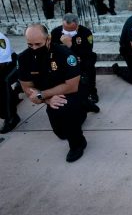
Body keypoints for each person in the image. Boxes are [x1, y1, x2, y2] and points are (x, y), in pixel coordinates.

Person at [18, 24, 88, 162]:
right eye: (30, 45)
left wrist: (42, 95)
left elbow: (72, 86)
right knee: (61, 133)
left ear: (48, 39)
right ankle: (84, 108)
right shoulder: (24, 58)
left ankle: (78, 143)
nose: (34, 48)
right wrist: (46, 99)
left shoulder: (65, 54)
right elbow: (28, 89)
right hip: (49, 95)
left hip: (73, 91)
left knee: (64, 107)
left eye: (38, 44)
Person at [51, 13, 100, 112]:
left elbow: (87, 51)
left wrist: (71, 45)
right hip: (64, 61)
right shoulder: (56, 32)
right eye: (66, 29)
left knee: (90, 62)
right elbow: (52, 50)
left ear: (77, 25)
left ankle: (92, 91)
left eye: (71, 30)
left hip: (81, 58)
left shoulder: (86, 32)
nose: (68, 32)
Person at [0, 32, 20, 134]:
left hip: (11, 64)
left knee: (4, 82)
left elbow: (2, 62)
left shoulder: (1, 38)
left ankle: (12, 117)